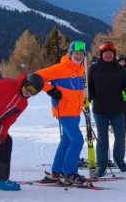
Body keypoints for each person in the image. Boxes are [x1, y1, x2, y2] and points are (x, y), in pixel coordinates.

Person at [36, 40, 89, 185]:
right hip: (64, 112)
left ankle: (56, 172)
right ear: (70, 53)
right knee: (77, 140)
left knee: (66, 142)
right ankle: (71, 173)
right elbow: (36, 77)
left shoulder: (80, 69)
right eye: (76, 53)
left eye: (81, 54)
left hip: (75, 113)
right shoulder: (61, 68)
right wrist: (51, 91)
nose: (78, 56)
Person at [88, 42, 126, 174]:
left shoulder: (119, 69)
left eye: (110, 53)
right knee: (102, 138)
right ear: (101, 54)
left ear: (114, 55)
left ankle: (119, 160)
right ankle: (102, 164)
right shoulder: (93, 69)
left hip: (117, 109)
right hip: (100, 110)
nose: (108, 55)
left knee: (120, 136)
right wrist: (86, 100)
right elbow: (90, 89)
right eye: (105, 53)